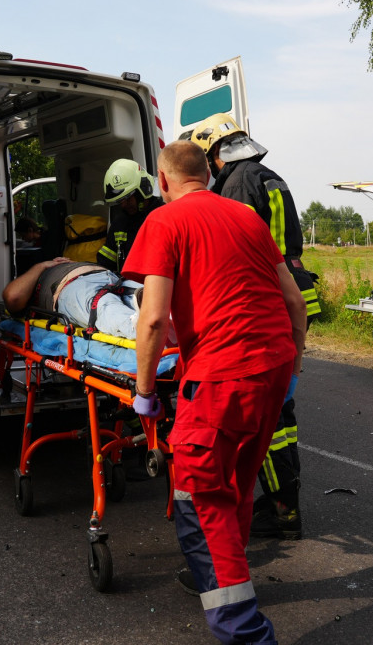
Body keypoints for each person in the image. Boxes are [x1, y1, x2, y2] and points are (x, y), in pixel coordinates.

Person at [124, 140, 307, 645]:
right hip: (271, 368)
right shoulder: (248, 219)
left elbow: (154, 317)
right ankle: (223, 573)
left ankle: (244, 630)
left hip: (220, 376)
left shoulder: (163, 223)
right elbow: (293, 299)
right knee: (238, 484)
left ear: (162, 182)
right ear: (209, 172)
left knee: (199, 499)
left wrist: (144, 392)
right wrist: (293, 362)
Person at [189, 112, 319, 540]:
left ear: (214, 155)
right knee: (280, 410)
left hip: (266, 296)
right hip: (289, 293)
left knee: (264, 416)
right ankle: (285, 502)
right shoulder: (269, 175)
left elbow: (236, 244)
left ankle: (282, 510)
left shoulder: (239, 182)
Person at [2, 257, 142, 340]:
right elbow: (13, 297)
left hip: (111, 278)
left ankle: (155, 315)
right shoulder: (37, 276)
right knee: (104, 305)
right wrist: (42, 266)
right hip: (72, 287)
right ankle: (143, 329)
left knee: (148, 292)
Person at [97, 158, 163, 273]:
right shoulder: (119, 224)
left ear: (142, 191)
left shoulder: (163, 217)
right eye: (119, 201)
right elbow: (105, 263)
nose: (123, 205)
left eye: (127, 198)